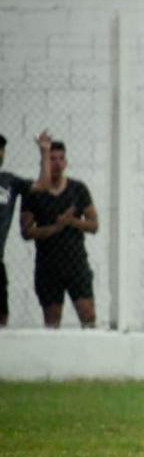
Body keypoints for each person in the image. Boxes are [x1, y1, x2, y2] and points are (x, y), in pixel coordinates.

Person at [19, 140, 98, 329]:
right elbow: (26, 231)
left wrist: (72, 222)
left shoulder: (78, 189)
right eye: (52, 158)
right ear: (43, 163)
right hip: (48, 266)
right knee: (52, 323)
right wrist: (54, 228)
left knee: (88, 317)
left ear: (66, 162)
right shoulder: (34, 192)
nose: (56, 163)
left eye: (60, 158)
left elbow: (94, 225)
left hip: (76, 263)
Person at [0, 132, 52, 327]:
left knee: (2, 315)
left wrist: (44, 152)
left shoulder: (9, 181)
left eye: (2, 150)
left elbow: (43, 185)